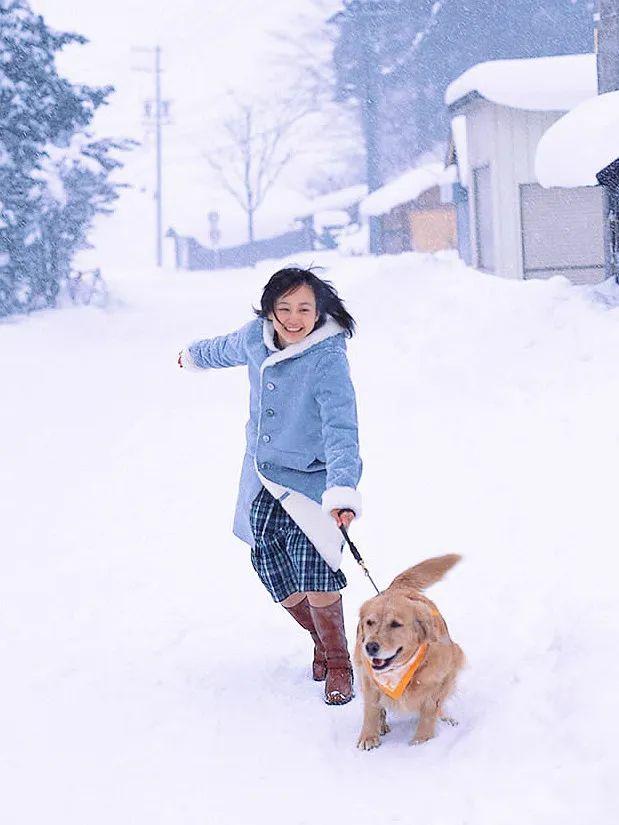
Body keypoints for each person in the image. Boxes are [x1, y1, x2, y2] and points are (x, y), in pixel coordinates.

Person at [178, 266, 362, 705]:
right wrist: (193, 356)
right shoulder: (254, 337)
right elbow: (221, 348)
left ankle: (338, 662)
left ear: (319, 311)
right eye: (284, 309)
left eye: (304, 309)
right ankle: (319, 640)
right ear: (270, 311)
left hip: (311, 481)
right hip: (262, 477)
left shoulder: (327, 356)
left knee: (316, 566)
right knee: (275, 571)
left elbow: (341, 428)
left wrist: (341, 489)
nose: (294, 319)